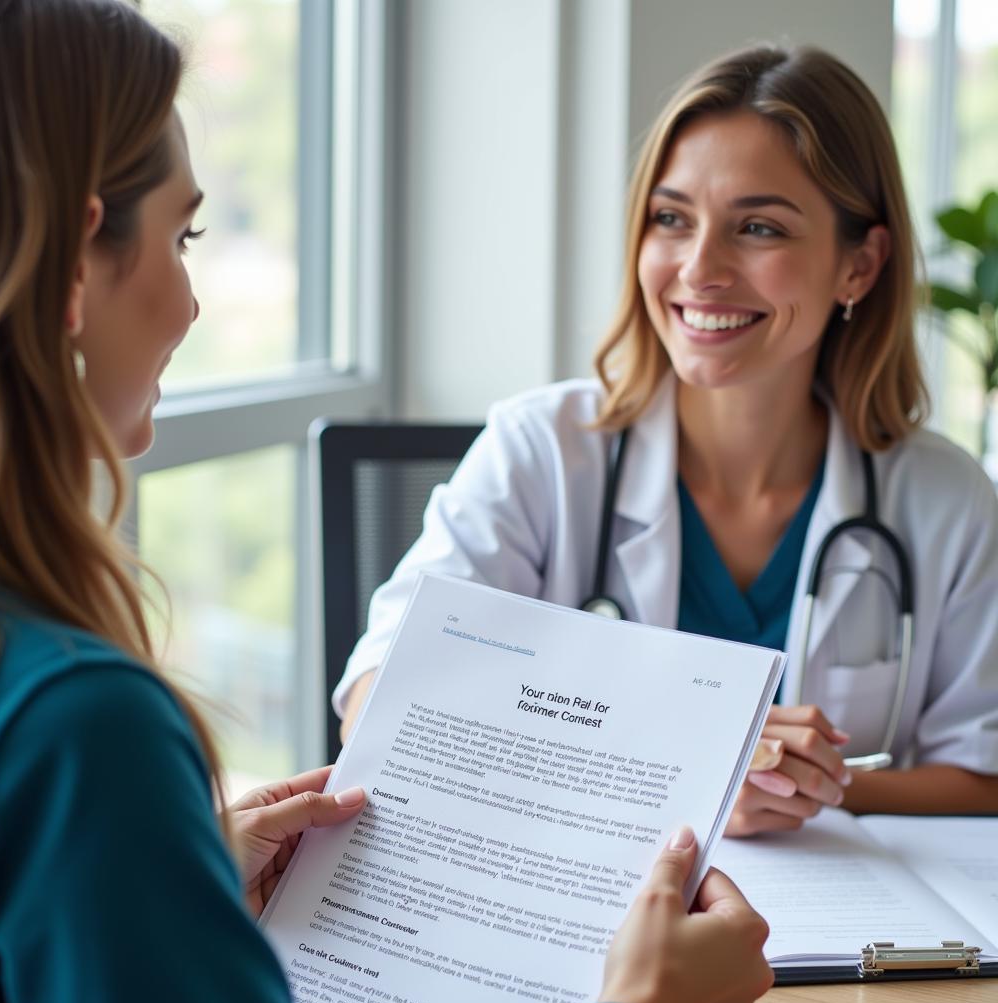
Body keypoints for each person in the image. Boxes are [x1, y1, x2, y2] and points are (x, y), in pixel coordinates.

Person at [0, 2, 771, 1003]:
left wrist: (167, 879)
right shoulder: (80, 728)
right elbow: (386, 674)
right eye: (184, 234)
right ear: (82, 262)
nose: (190, 302)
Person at [337, 45, 998, 837]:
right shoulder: (541, 452)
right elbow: (380, 699)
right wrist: (688, 772)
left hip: (847, 937)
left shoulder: (943, 499)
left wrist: (807, 790)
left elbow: (982, 778)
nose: (699, 268)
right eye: (671, 218)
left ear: (859, 265)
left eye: (758, 227)